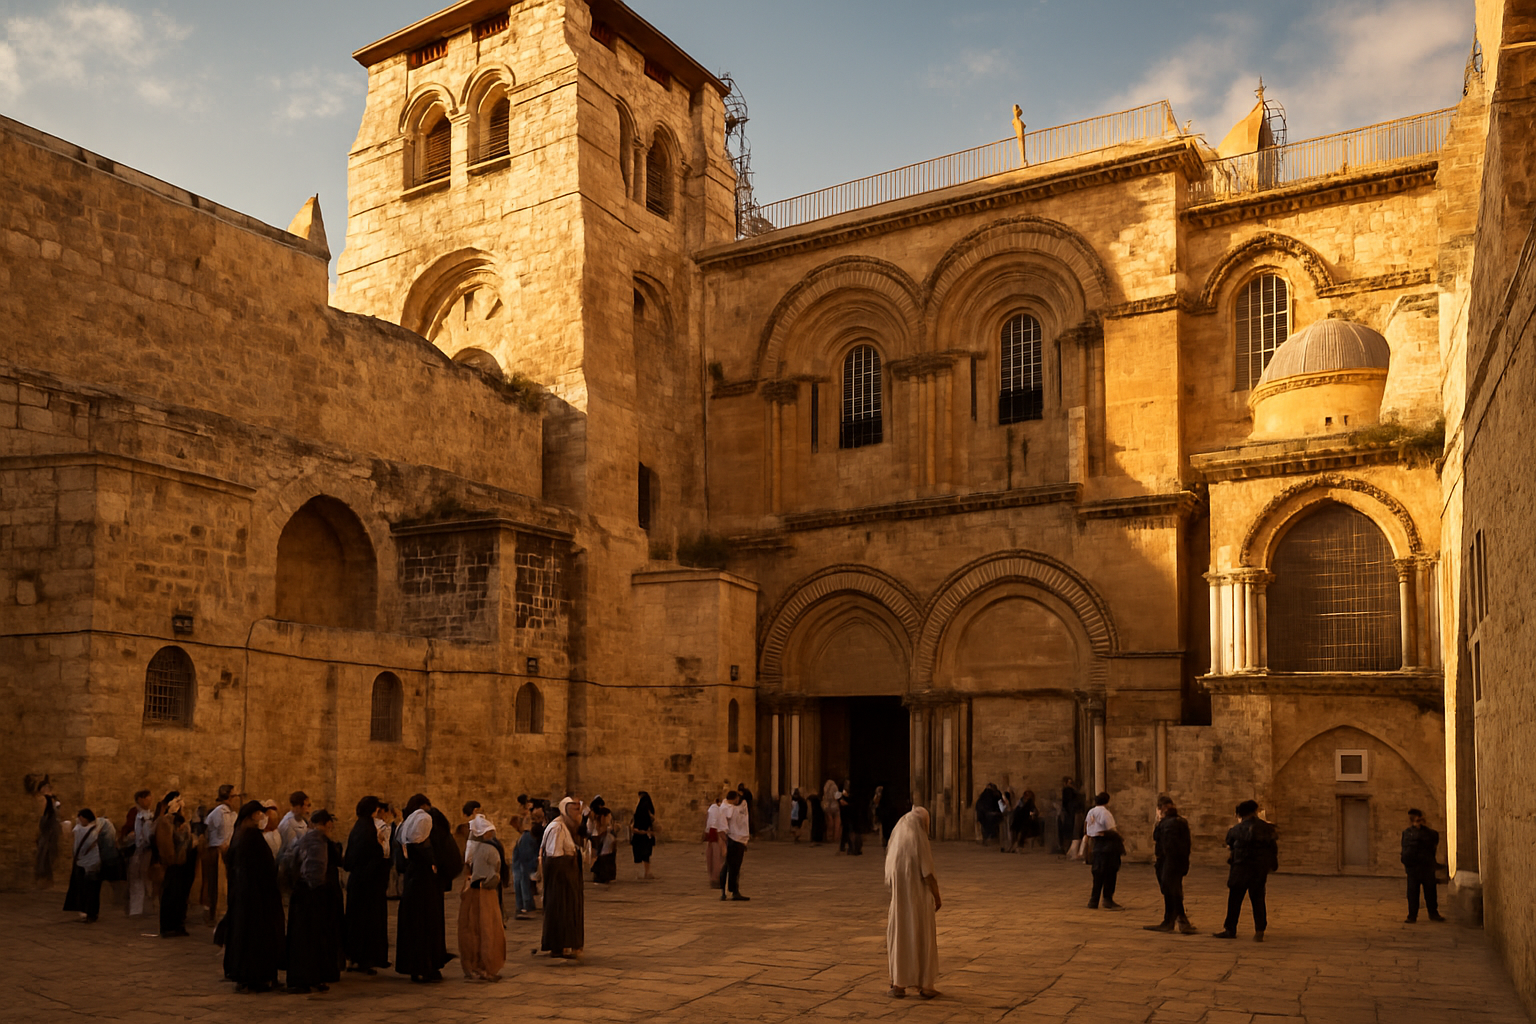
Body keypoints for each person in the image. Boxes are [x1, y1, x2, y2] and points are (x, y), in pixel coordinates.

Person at [222, 801, 285, 993]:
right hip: (256, 898)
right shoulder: (250, 838)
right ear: (251, 816)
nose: (262, 818)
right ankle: (256, 977)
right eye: (259, 814)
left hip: (246, 896)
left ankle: (248, 975)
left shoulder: (241, 836)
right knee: (256, 938)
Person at [885, 807, 941, 1000]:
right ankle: (926, 985)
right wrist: (937, 895)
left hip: (900, 903)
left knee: (901, 937)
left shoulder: (897, 844)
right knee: (921, 938)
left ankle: (899, 983)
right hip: (919, 901)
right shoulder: (919, 839)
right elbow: (927, 872)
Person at [287, 809, 344, 993]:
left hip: (306, 894)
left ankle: (314, 976)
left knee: (314, 938)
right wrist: (317, 888)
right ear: (328, 824)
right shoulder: (316, 841)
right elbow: (315, 869)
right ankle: (306, 978)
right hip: (311, 896)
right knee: (309, 938)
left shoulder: (307, 838)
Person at [395, 794, 450, 982]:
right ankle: (426, 966)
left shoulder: (409, 851)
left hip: (412, 887)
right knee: (426, 928)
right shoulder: (425, 856)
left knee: (413, 928)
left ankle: (414, 966)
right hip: (426, 890)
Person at [1213, 799, 1278, 941]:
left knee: (1234, 900)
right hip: (1258, 870)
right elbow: (1273, 848)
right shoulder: (1267, 828)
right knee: (1258, 899)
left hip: (1240, 869)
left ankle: (1230, 929)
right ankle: (1259, 929)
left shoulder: (1236, 830)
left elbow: (1229, 842)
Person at [344, 796, 393, 974]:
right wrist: (379, 846)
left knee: (358, 921)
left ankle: (359, 957)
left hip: (360, 883)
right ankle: (363, 958)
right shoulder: (368, 830)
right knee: (365, 922)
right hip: (367, 885)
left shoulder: (359, 827)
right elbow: (372, 856)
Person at [459, 816, 507, 980]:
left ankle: (474, 966)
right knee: (487, 930)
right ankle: (486, 967)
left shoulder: (475, 847)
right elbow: (494, 870)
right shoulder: (489, 849)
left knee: (473, 929)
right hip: (485, 891)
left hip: (474, 890)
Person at [540, 797, 585, 958]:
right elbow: (554, 857)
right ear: (565, 810)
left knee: (570, 912)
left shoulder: (566, 827)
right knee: (560, 911)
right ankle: (559, 945)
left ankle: (567, 944)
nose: (578, 814)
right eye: (574, 809)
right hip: (560, 880)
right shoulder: (557, 828)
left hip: (569, 880)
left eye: (579, 809)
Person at [1143, 795, 1196, 933]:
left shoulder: (1167, 824)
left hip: (1169, 862)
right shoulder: (1181, 822)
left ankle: (1177, 921)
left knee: (1171, 891)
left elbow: (1166, 845)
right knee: (1173, 891)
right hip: (1178, 862)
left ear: (1161, 809)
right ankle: (1173, 920)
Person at [153, 791, 198, 938]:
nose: (181, 804)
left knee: (181, 896)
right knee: (171, 894)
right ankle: (168, 926)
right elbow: (166, 844)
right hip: (174, 864)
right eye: (177, 801)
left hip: (186, 863)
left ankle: (179, 924)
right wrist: (171, 859)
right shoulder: (165, 821)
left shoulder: (183, 821)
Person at [62, 808, 110, 923]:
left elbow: (80, 843)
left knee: (89, 890)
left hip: (88, 863)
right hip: (92, 862)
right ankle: (91, 913)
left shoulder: (82, 830)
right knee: (91, 890)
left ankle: (90, 913)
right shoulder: (95, 830)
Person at [201, 783, 237, 924]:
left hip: (227, 851)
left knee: (225, 884)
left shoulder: (231, 813)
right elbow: (213, 833)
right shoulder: (218, 813)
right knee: (215, 884)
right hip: (216, 852)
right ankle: (213, 914)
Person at [1402, 808, 1444, 923]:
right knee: (1412, 893)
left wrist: (1422, 828)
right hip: (1413, 867)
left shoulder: (1430, 833)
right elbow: (1408, 846)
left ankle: (1433, 913)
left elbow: (1432, 842)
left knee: (1430, 891)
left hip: (1426, 866)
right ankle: (1412, 915)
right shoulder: (1407, 833)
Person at [123, 789, 155, 917]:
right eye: (147, 798)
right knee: (137, 880)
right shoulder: (136, 814)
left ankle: (145, 908)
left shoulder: (149, 814)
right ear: (141, 799)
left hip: (145, 851)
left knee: (146, 880)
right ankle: (136, 910)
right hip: (139, 851)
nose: (150, 800)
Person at [28, 774, 63, 889]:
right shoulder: (47, 800)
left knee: (46, 855)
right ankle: (43, 879)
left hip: (49, 831)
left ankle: (45, 879)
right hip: (47, 831)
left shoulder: (50, 799)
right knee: (44, 855)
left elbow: (50, 816)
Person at [720, 789, 751, 900]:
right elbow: (722, 827)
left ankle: (727, 891)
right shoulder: (725, 808)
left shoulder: (736, 807)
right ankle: (732, 891)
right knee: (732, 867)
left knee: (731, 866)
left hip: (738, 840)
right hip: (732, 839)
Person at [512, 808, 541, 919]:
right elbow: (526, 855)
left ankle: (524, 906)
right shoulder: (527, 839)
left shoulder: (525, 837)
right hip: (522, 866)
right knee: (523, 886)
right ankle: (525, 906)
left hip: (520, 865)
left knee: (521, 886)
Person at [1088, 826, 1126, 910]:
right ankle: (1107, 900)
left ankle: (1094, 900)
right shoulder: (1111, 838)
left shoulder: (1096, 834)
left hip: (1099, 854)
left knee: (1097, 879)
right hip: (1108, 855)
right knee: (1109, 878)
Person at [630, 791, 657, 880]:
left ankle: (640, 873)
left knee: (639, 854)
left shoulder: (639, 810)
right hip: (647, 836)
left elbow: (634, 823)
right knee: (646, 855)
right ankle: (646, 872)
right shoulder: (649, 810)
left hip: (639, 836)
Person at [590, 801, 617, 884]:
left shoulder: (609, 829)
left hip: (608, 856)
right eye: (608, 817)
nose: (610, 819)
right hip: (602, 859)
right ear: (603, 817)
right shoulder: (598, 830)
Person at [1083, 791, 1115, 862]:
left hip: (1091, 837)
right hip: (1101, 838)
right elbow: (1110, 826)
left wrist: (1086, 833)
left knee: (1093, 856)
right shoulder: (1105, 813)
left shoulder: (1091, 811)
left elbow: (1086, 822)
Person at [704, 791, 727, 886]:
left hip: (711, 831)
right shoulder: (718, 809)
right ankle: (715, 877)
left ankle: (713, 876)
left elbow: (708, 822)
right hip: (717, 831)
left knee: (712, 855)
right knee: (718, 856)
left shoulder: (711, 809)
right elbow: (719, 823)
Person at [1057, 778, 1080, 857]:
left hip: (1070, 812)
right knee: (1067, 831)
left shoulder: (1071, 791)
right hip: (1069, 813)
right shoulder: (1067, 791)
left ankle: (1066, 848)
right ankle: (1066, 848)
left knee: (1068, 831)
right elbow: (1066, 802)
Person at [822, 779, 842, 850]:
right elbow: (837, 797)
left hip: (827, 807)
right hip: (835, 807)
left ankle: (829, 836)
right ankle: (836, 837)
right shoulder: (834, 786)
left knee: (829, 823)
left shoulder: (826, 788)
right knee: (837, 822)